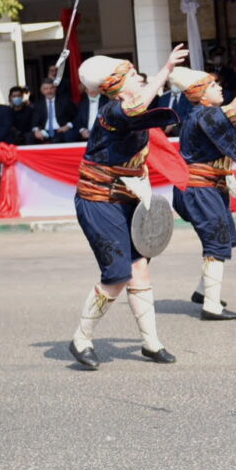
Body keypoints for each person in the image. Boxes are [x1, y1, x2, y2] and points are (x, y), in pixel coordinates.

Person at [67, 47, 188, 370]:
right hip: (98, 200)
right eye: (134, 75)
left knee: (140, 270)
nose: (140, 78)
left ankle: (151, 343)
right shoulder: (113, 112)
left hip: (125, 198)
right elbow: (136, 107)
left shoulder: (128, 112)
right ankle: (81, 338)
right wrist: (164, 69)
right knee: (117, 274)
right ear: (118, 84)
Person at [170, 57, 236, 321]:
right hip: (200, 187)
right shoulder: (204, 114)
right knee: (216, 243)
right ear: (201, 96)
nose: (219, 88)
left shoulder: (202, 114)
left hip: (206, 186)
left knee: (221, 239)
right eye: (213, 85)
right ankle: (211, 306)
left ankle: (203, 292)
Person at [31, 79, 76, 143]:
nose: (49, 91)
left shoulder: (65, 101)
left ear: (55, 89)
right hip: (44, 131)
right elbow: (34, 122)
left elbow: (75, 117)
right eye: (46, 89)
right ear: (41, 90)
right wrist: (36, 131)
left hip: (61, 130)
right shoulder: (38, 104)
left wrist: (67, 126)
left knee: (70, 135)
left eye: (51, 88)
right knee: (30, 137)